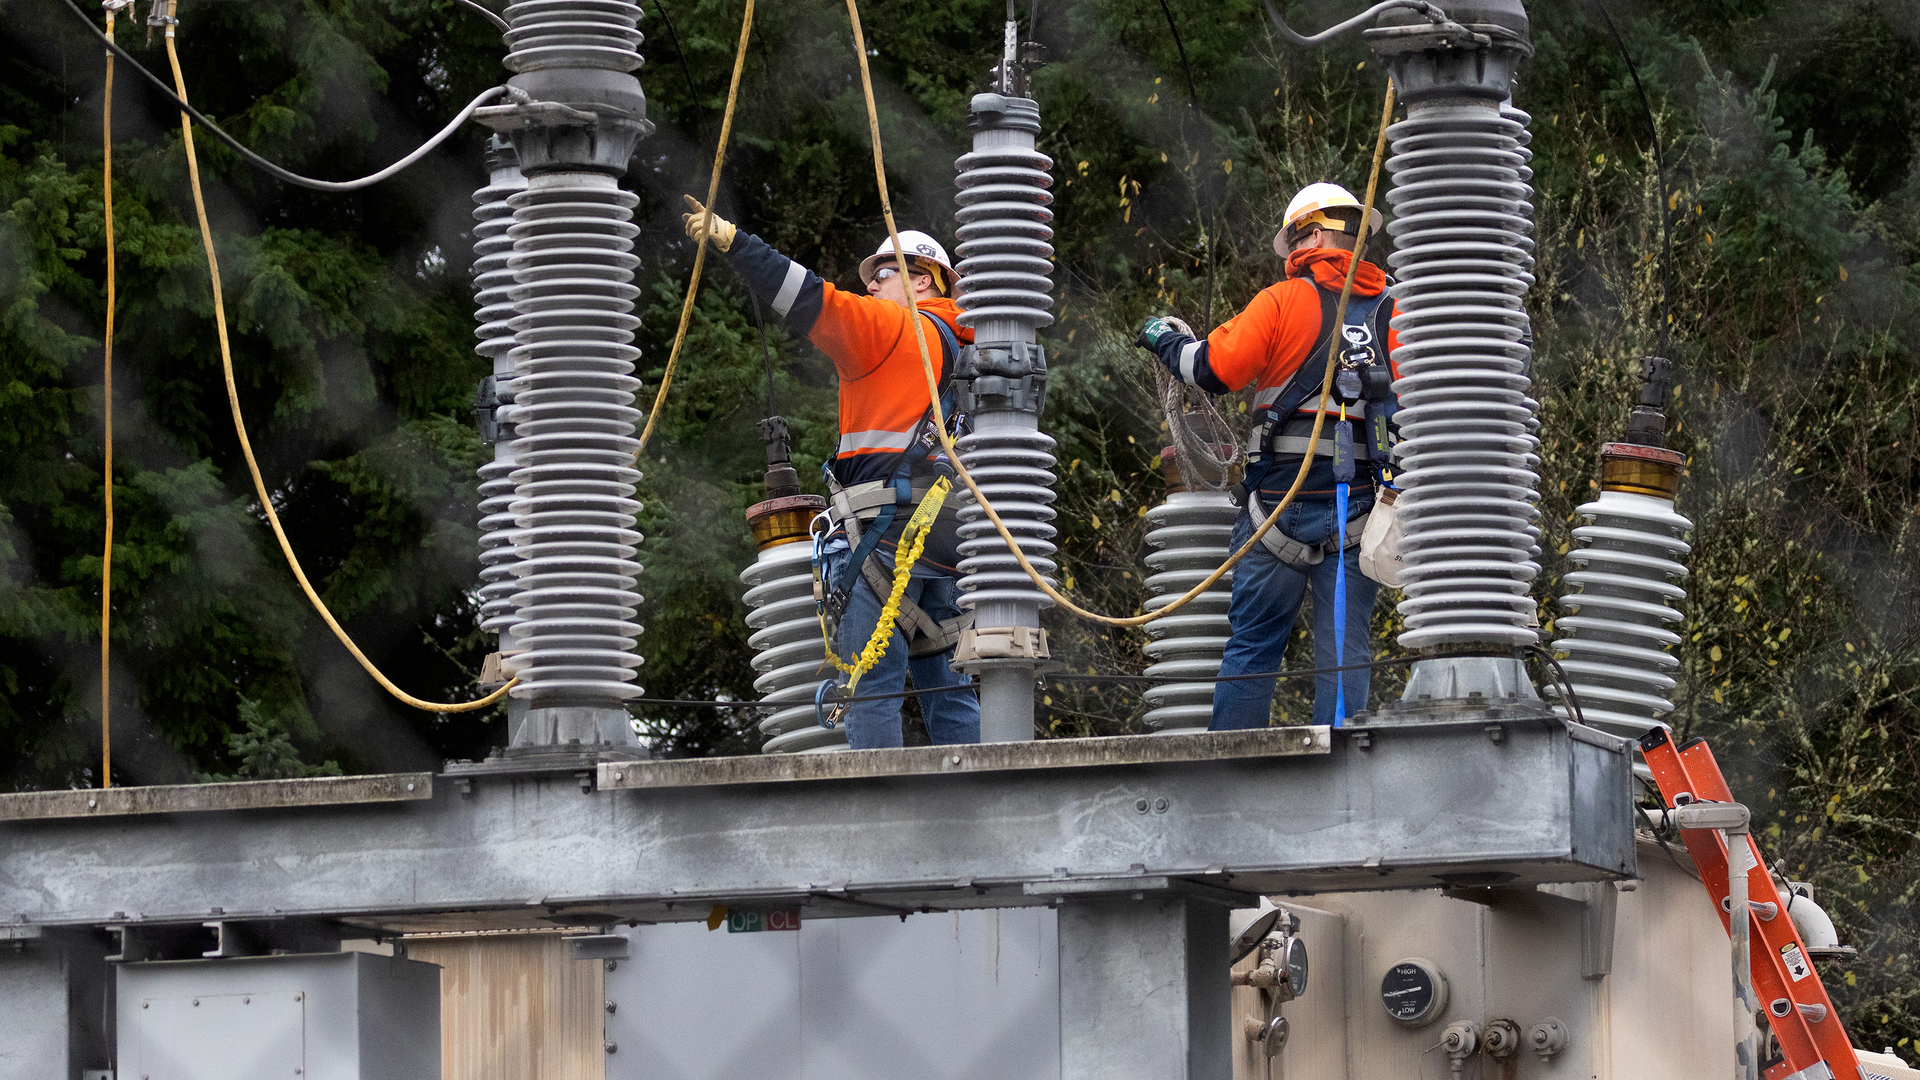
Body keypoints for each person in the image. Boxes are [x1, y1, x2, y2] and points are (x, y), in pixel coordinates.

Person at [681, 196, 980, 749]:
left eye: (884, 274)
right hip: (946, 543)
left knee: (870, 688)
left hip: (882, 537)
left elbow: (807, 297)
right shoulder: (974, 353)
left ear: (922, 280)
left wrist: (736, 243)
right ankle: (982, 793)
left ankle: (878, 799)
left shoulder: (895, 330)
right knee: (950, 689)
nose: (872, 286)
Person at [1136, 182, 1401, 728]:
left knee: (1253, 648)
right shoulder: (1397, 314)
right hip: (1362, 512)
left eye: (1296, 239)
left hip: (1278, 507)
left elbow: (1209, 369)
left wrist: (1162, 337)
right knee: (1345, 653)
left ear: (1310, 237)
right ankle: (1342, 767)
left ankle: (1233, 770)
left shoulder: (1283, 301)